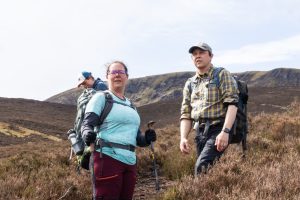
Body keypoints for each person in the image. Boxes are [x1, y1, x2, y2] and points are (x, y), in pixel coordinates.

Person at [81, 61, 156, 200]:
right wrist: (87, 133)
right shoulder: (101, 98)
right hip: (107, 158)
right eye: (113, 72)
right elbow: (87, 124)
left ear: (126, 77)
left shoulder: (131, 106)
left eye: (121, 72)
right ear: (107, 76)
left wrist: (146, 139)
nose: (117, 75)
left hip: (130, 162)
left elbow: (136, 137)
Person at [179, 42, 239, 175]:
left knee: (201, 167)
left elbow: (232, 103)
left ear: (210, 56)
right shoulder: (190, 83)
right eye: (194, 54)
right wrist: (183, 138)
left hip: (218, 129)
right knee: (207, 172)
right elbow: (186, 113)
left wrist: (225, 131)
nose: (197, 56)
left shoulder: (221, 74)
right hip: (199, 132)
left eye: (201, 53)